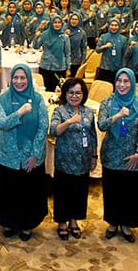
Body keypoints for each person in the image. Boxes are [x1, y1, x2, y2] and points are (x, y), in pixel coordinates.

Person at [0, 64, 49, 241]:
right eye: (15, 77)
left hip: (30, 156)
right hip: (7, 154)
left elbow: (43, 127)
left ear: (29, 79)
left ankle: (27, 224)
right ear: (11, 79)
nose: (19, 81)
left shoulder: (37, 99)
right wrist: (19, 113)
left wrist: (35, 154)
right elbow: (1, 122)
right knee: (8, 191)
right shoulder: (5, 98)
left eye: (23, 78)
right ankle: (8, 222)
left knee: (28, 192)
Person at [96, 68, 138, 242]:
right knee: (112, 189)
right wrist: (117, 115)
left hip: (133, 155)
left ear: (132, 83)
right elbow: (102, 125)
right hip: (112, 152)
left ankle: (126, 224)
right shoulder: (107, 102)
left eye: (126, 81)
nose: (122, 84)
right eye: (119, 80)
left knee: (130, 191)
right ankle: (112, 222)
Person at [50, 78, 97, 240]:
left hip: (83, 161)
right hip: (64, 160)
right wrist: (69, 121)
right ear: (65, 94)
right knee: (63, 191)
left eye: (78, 93)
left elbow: (92, 135)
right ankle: (62, 222)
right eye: (71, 92)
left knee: (79, 191)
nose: (74, 96)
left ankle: (74, 220)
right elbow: (54, 131)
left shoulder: (88, 112)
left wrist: (94, 155)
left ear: (83, 95)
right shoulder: (59, 111)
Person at [33, 15, 71, 92]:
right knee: (44, 90)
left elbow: (67, 54)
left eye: (59, 22)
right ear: (51, 23)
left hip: (60, 68)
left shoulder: (65, 37)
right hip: (45, 66)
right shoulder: (45, 34)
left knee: (57, 91)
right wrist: (36, 37)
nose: (57, 24)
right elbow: (36, 46)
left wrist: (68, 68)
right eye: (55, 22)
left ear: (62, 24)